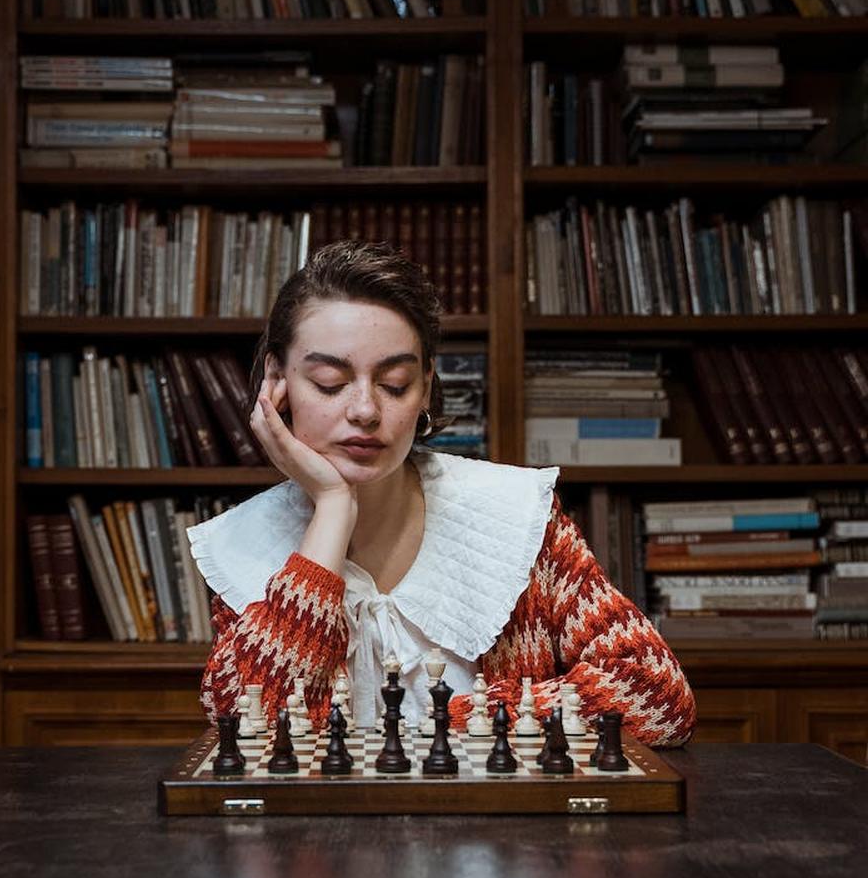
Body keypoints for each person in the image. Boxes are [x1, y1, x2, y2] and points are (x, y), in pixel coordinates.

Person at [189, 241, 696, 746]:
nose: (365, 410)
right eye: (329, 382)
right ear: (277, 381)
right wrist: (332, 507)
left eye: (394, 383)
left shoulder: (513, 517)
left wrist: (445, 727)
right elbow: (251, 734)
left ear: (427, 386)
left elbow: (657, 697)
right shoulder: (244, 544)